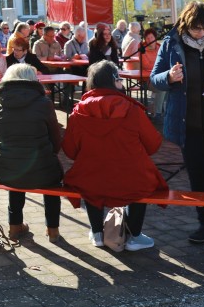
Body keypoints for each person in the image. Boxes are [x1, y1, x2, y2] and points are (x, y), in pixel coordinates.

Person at [150, 1, 204, 245]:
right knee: (198, 177)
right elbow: (154, 80)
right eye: (196, 29)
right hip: (190, 127)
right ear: (186, 26)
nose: (202, 33)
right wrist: (169, 76)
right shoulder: (171, 44)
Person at [63, 60, 167, 250]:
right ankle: (134, 235)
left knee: (88, 177)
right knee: (142, 179)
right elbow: (153, 145)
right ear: (114, 81)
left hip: (92, 177)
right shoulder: (133, 109)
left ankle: (97, 233)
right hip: (131, 178)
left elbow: (70, 151)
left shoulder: (78, 112)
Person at [0, 63, 63, 242]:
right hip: (42, 170)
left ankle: (14, 226)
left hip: (5, 169)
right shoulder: (44, 103)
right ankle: (52, 229)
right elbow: (56, 141)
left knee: (16, 166)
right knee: (51, 176)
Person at [140, 27, 165, 124]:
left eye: (151, 37)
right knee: (162, 88)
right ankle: (157, 113)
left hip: (161, 76)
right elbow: (147, 65)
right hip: (147, 80)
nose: (150, 40)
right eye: (147, 38)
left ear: (155, 38)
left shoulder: (161, 48)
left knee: (172, 86)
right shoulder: (142, 50)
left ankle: (163, 111)